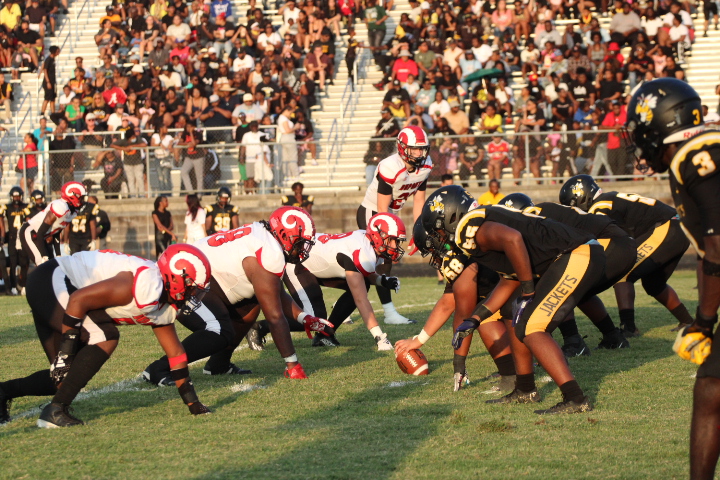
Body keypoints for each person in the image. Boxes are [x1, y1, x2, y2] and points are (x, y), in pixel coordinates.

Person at [423, 185, 602, 414]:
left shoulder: (469, 226)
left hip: (577, 254)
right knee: (513, 315)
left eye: (437, 232)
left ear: (450, 216)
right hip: (574, 253)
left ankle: (575, 398)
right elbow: (509, 280)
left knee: (532, 327)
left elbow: (513, 239)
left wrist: (528, 291)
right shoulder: (485, 224)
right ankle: (525, 389)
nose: (440, 240)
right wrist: (476, 318)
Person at [622, 78, 720, 479]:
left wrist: (705, 322)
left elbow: (717, 249)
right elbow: (706, 252)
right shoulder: (708, 144)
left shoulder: (694, 156)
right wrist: (704, 321)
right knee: (711, 385)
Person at [0, 245, 212, 427]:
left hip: (57, 289)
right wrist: (65, 353)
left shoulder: (163, 305)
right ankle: (55, 411)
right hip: (53, 278)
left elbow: (176, 355)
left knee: (64, 379)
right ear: (175, 277)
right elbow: (77, 300)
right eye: (193, 289)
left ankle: (3, 392)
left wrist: (193, 404)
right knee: (106, 336)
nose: (195, 296)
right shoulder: (144, 284)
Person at [143, 206, 325, 384]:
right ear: (284, 235)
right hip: (186, 280)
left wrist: (303, 317)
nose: (303, 250)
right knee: (218, 330)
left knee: (253, 303)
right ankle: (159, 369)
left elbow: (275, 292)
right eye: (300, 243)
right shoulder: (268, 251)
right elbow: (275, 317)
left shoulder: (263, 235)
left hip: (207, 279)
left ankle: (218, 364)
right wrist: (292, 363)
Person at [560, 174, 693, 336]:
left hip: (667, 228)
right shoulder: (611, 198)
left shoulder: (600, 204)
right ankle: (687, 321)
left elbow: (598, 232)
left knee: (624, 272)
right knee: (654, 284)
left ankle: (628, 328)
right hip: (676, 227)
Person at [250, 213, 405, 351]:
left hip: (319, 265)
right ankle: (261, 327)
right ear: (378, 236)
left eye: (397, 242)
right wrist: (379, 337)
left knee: (362, 284)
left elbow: (362, 274)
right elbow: (361, 299)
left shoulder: (368, 244)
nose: (395, 246)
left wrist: (381, 281)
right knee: (313, 317)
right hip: (299, 263)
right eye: (392, 240)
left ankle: (326, 335)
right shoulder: (361, 251)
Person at [395, 218, 517, 392]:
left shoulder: (461, 257)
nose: (434, 257)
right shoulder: (464, 245)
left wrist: (459, 362)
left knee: (481, 315)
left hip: (521, 296)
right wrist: (418, 339)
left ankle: (519, 369)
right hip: (514, 293)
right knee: (484, 311)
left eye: (430, 250)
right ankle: (515, 370)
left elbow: (463, 312)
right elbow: (447, 302)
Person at [358, 126, 432, 324]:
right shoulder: (390, 166)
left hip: (390, 214)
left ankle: (382, 312)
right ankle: (389, 313)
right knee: (379, 262)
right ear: (402, 148)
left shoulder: (425, 167)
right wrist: (387, 239)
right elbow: (382, 209)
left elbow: (419, 201)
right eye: (414, 149)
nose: (419, 153)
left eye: (422, 148)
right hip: (373, 213)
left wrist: (418, 231)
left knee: (374, 265)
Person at [19, 181, 86, 266]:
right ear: (72, 196)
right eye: (81, 197)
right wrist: (44, 256)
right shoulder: (60, 207)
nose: (83, 200)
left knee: (53, 266)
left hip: (41, 236)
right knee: (43, 265)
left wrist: (58, 254)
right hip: (31, 232)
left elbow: (56, 232)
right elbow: (40, 232)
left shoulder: (73, 212)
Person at [1, 186, 30, 294]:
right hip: (12, 238)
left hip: (22, 238)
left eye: (18, 196)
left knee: (24, 263)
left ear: (21, 196)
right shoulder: (7, 207)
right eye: (15, 196)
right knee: (13, 264)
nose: (16, 198)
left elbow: (28, 219)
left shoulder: (25, 207)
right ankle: (13, 286)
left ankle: (23, 285)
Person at [110, 128, 146, 197]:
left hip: (138, 163)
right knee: (131, 180)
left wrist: (133, 146)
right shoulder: (124, 141)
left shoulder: (137, 139)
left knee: (140, 179)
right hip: (128, 164)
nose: (133, 138)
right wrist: (123, 149)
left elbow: (144, 144)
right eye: (132, 137)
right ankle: (133, 196)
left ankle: (142, 195)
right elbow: (112, 145)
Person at [40, 46, 60, 116]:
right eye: (57, 51)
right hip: (48, 82)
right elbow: (45, 69)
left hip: (52, 81)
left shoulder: (52, 59)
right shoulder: (49, 59)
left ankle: (53, 112)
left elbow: (43, 65)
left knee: (52, 98)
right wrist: (48, 81)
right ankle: (42, 112)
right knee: (47, 98)